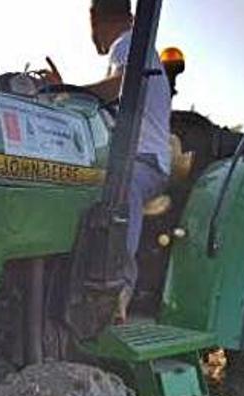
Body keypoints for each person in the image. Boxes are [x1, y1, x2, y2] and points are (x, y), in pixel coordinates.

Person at [45, 0, 172, 322]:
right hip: (120, 158)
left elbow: (120, 86)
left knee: (120, 189)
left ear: (94, 19)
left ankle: (114, 291)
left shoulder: (129, 42)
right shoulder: (130, 49)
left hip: (144, 162)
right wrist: (65, 92)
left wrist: (59, 92)